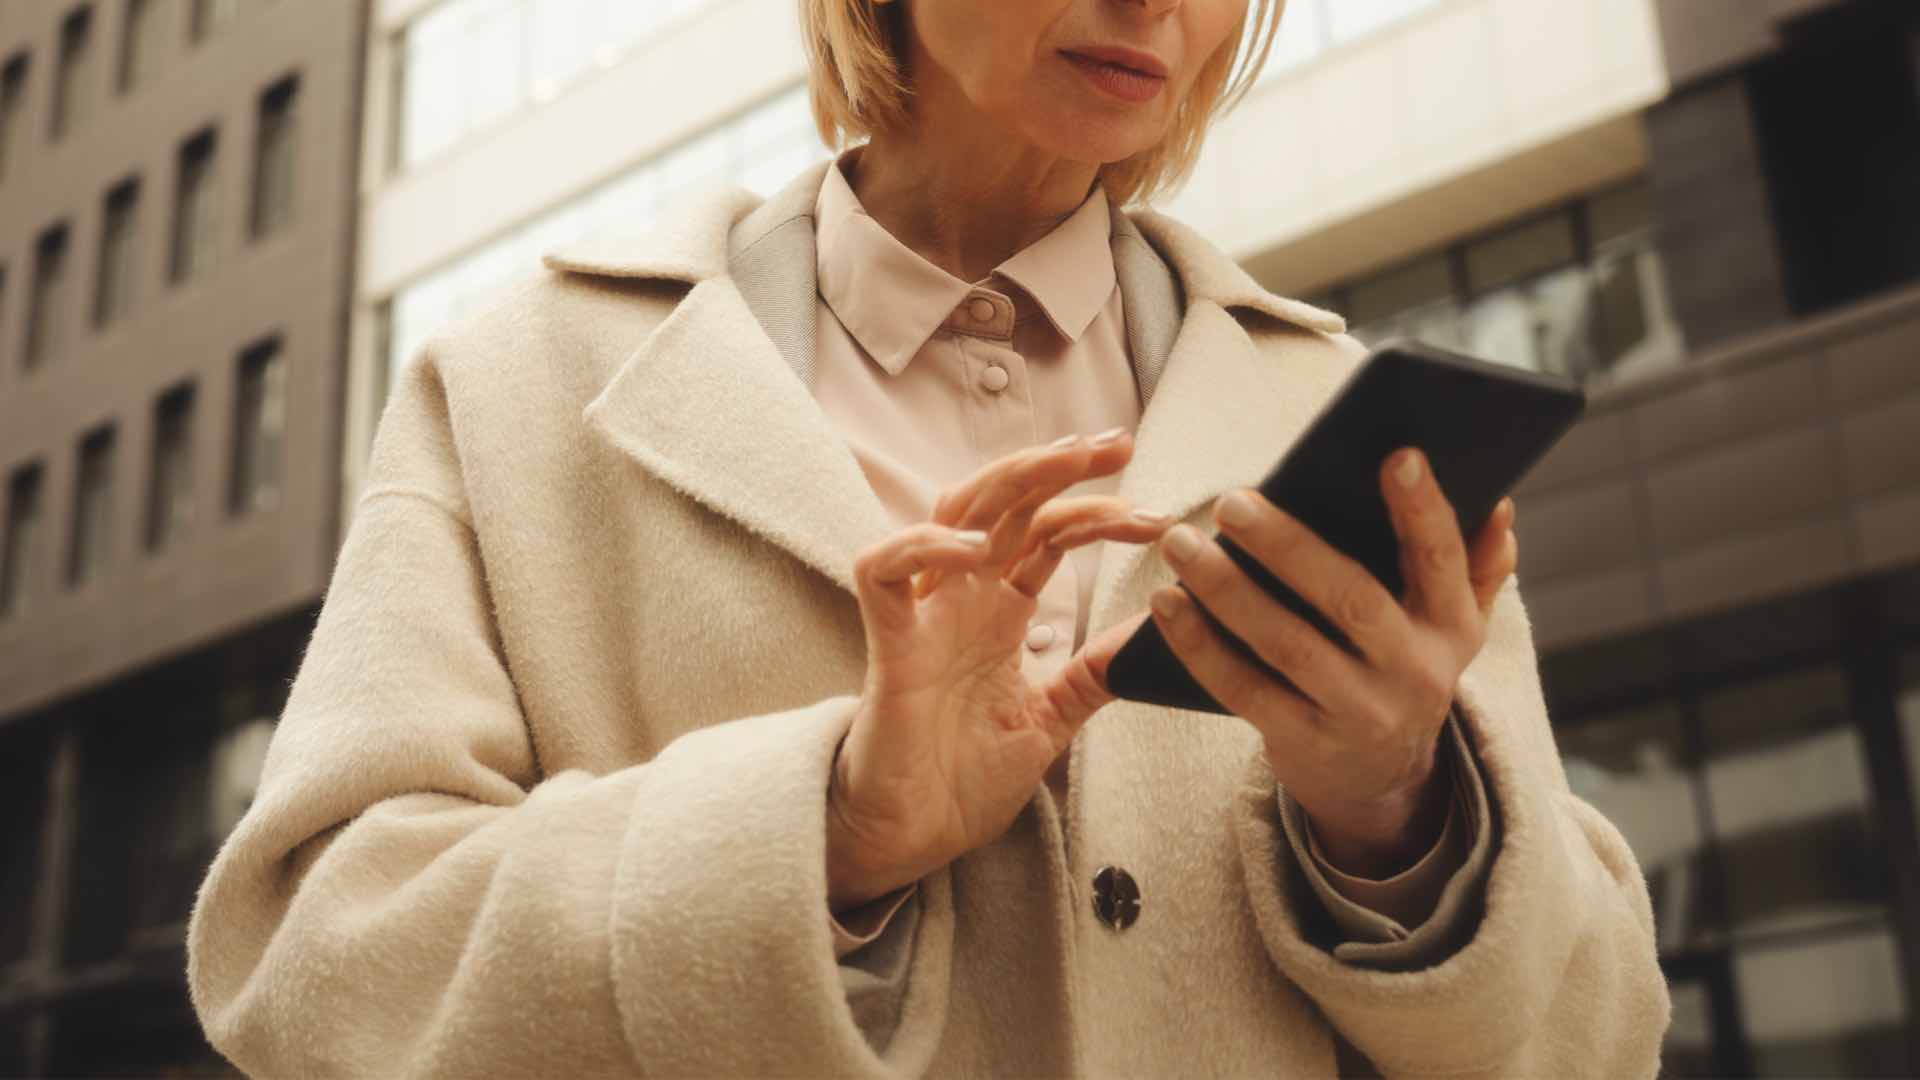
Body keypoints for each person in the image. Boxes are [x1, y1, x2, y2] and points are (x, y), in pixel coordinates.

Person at [184, 0, 1672, 1075]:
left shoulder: (1339, 417)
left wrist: (1395, 814)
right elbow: (310, 966)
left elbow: (1602, 1038)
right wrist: (829, 831)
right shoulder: (516, 385)